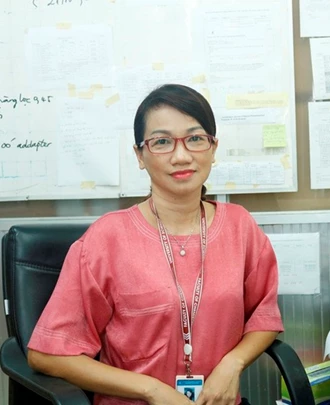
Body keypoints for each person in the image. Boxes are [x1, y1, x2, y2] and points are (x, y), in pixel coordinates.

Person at [27, 84, 284, 405]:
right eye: (162, 142)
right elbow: (47, 355)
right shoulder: (106, 239)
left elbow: (264, 317)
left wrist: (233, 364)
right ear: (140, 155)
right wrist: (152, 390)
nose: (181, 155)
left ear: (213, 148)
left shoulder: (239, 226)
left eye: (195, 138)